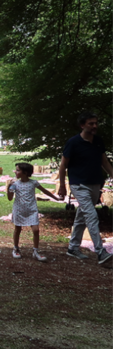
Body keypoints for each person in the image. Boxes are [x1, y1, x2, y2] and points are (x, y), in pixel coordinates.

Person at [59, 112, 113, 264]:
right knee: (91, 215)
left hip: (96, 184)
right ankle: (100, 251)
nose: (94, 126)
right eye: (91, 123)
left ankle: (73, 248)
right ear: (82, 125)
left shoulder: (98, 142)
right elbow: (63, 165)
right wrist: (62, 186)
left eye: (96, 123)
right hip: (79, 184)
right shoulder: (73, 142)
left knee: (82, 216)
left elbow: (105, 162)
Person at [7, 163, 60, 262]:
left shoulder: (33, 183)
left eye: (18, 170)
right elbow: (10, 198)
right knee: (17, 229)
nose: (15, 172)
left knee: (36, 230)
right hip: (19, 209)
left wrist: (56, 198)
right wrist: (8, 187)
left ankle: (36, 251)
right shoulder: (15, 184)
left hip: (31, 210)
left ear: (25, 173)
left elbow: (45, 191)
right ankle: (16, 248)